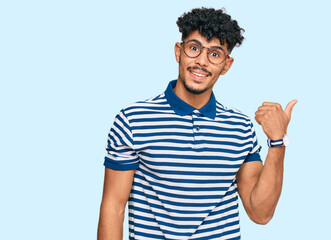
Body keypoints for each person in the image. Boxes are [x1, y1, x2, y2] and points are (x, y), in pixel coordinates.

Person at [98, 7, 297, 240]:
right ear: (178, 51)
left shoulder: (240, 128)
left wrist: (277, 141)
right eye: (194, 48)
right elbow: (113, 207)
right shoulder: (133, 120)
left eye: (214, 53)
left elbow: (260, 213)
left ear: (227, 64)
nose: (202, 61)